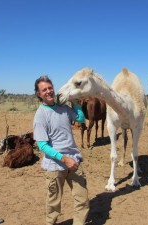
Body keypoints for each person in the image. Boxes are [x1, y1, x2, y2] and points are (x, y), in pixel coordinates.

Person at [33, 75, 89, 225]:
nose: (49, 91)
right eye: (44, 90)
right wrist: (65, 159)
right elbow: (43, 146)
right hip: (55, 165)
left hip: (74, 161)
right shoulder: (40, 115)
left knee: (82, 199)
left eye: (50, 88)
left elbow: (81, 119)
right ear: (39, 94)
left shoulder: (63, 108)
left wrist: (75, 103)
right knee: (53, 205)